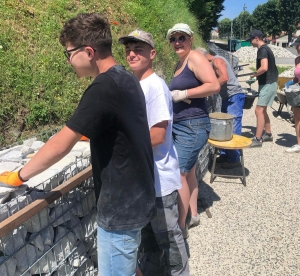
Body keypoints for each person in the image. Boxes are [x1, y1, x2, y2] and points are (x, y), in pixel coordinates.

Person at [0, 13, 156, 276]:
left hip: (120, 209)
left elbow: (61, 143)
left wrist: (20, 175)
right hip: (136, 196)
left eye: (69, 53)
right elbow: (120, 125)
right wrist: (92, 132)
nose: (68, 60)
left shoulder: (104, 86)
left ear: (88, 51)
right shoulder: (126, 78)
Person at [118, 29, 189, 276]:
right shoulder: (136, 84)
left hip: (159, 180)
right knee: (150, 240)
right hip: (145, 180)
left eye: (138, 49)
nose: (132, 53)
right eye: (128, 49)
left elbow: (158, 135)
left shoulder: (154, 86)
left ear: (152, 53)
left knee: (168, 240)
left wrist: (121, 147)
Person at [166, 23, 220, 235]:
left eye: (182, 37)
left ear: (190, 39)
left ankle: (181, 226)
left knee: (179, 174)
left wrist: (183, 94)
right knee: (189, 174)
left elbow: (213, 85)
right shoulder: (179, 64)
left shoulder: (195, 57)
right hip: (181, 125)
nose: (177, 42)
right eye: (173, 39)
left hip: (193, 125)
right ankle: (194, 215)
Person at [197, 47, 246, 168]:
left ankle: (234, 159)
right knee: (225, 128)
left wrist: (209, 89)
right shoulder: (214, 63)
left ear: (203, 57)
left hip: (234, 96)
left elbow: (224, 78)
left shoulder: (217, 60)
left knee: (233, 127)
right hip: (227, 98)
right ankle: (225, 154)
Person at [248, 29, 278, 147]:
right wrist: (256, 77)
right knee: (263, 110)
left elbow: (264, 67)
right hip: (269, 82)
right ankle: (268, 134)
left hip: (268, 83)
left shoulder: (262, 50)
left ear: (256, 38)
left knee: (258, 110)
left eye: (250, 39)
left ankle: (258, 138)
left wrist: (254, 74)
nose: (250, 42)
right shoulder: (266, 48)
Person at [285, 36, 300, 153]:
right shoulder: (297, 60)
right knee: (297, 118)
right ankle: (299, 144)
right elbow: (297, 77)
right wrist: (290, 82)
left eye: (297, 45)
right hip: (298, 92)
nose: (296, 48)